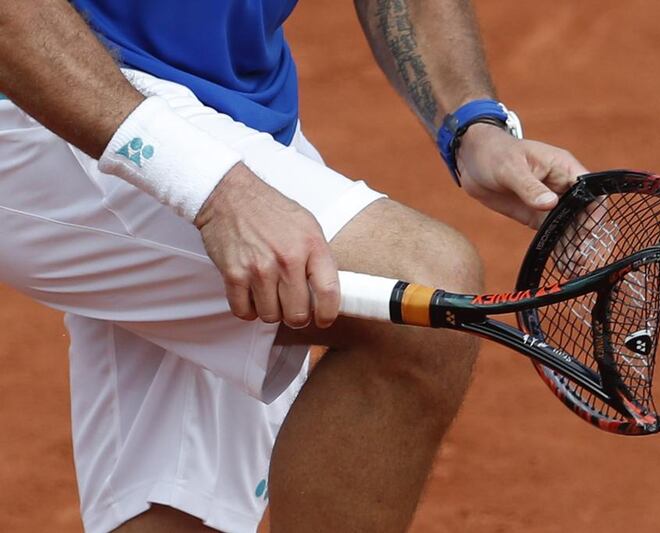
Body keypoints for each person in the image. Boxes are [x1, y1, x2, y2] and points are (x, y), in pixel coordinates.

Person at [0, 1, 587, 531]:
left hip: (234, 104)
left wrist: (472, 122)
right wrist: (213, 191)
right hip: (42, 92)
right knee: (421, 283)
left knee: (178, 507)